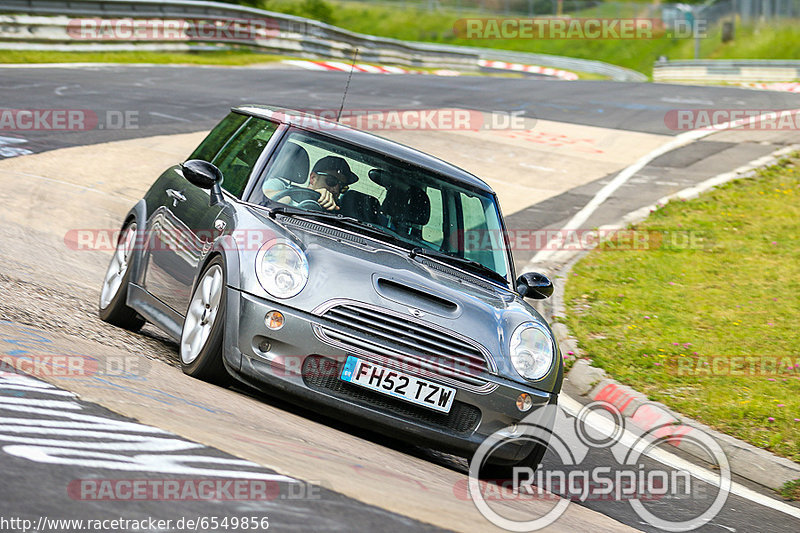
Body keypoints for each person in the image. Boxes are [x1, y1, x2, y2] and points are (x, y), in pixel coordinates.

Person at [263, 154, 358, 211]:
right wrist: (314, 195)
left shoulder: (339, 214)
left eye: (342, 186)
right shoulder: (281, 185)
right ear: (313, 178)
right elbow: (265, 197)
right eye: (331, 181)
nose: (336, 189)